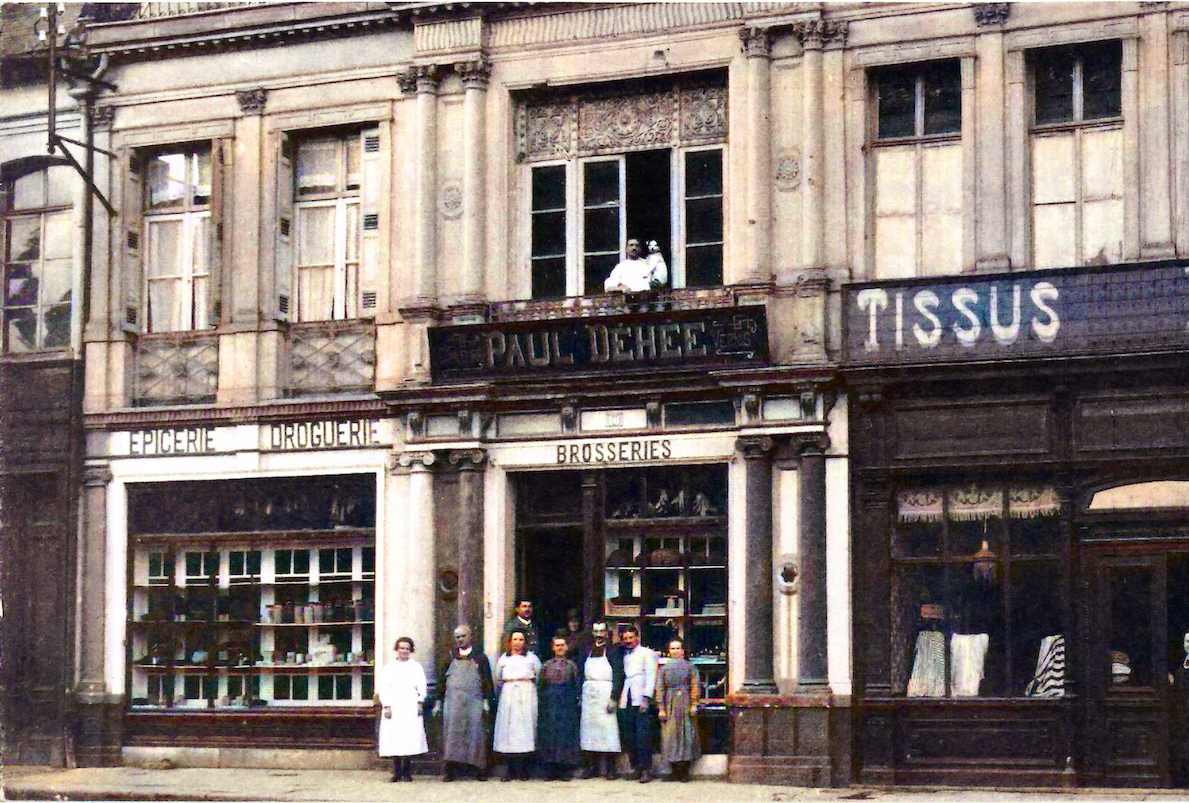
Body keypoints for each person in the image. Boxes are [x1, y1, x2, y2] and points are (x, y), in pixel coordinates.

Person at [432, 624, 494, 782]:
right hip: (453, 702)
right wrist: (438, 702)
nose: (460, 639)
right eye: (457, 637)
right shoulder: (449, 656)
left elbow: (487, 681)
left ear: (470, 637)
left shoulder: (480, 657)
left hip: (474, 701)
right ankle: (450, 771)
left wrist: (486, 701)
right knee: (452, 735)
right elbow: (441, 681)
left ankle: (479, 769)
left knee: (476, 734)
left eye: (463, 636)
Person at [578, 620, 624, 780]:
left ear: (607, 633)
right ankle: (592, 767)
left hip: (606, 692)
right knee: (590, 731)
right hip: (589, 693)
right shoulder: (586, 650)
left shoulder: (613, 651)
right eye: (596, 631)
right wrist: (580, 695)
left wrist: (614, 698)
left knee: (608, 730)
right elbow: (580, 674)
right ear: (592, 633)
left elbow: (618, 675)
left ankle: (610, 769)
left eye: (601, 631)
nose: (599, 635)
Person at [377, 636, 428, 782]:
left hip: (410, 704)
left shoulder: (416, 667)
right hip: (394, 704)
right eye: (402, 648)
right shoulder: (389, 667)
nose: (404, 651)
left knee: (408, 737)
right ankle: (396, 772)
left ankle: (406, 772)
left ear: (411, 650)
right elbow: (383, 687)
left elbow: (422, 686)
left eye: (407, 649)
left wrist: (420, 702)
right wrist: (386, 705)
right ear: (397, 650)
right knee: (394, 737)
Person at [494, 628, 541, 780]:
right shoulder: (504, 659)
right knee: (509, 730)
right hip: (509, 695)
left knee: (525, 729)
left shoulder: (532, 658)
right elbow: (498, 678)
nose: (518, 643)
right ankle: (509, 769)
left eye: (521, 639)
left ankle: (523, 769)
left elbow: (539, 675)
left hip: (526, 694)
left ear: (525, 642)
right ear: (510, 642)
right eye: (515, 639)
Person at [537, 634, 582, 780]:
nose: (560, 648)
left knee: (565, 734)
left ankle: (564, 769)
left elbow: (576, 684)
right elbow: (541, 686)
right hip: (550, 702)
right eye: (557, 645)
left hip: (566, 701)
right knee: (550, 734)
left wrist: (576, 700)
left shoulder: (572, 666)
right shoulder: (546, 666)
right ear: (553, 648)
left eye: (562, 645)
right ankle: (550, 769)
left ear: (567, 647)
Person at [656, 637, 700, 782]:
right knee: (670, 735)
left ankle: (684, 771)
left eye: (678, 648)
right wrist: (661, 708)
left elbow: (695, 686)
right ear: (669, 651)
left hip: (685, 702)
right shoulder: (663, 669)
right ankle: (674, 770)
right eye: (672, 648)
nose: (675, 651)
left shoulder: (690, 667)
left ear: (683, 650)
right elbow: (660, 689)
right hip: (670, 704)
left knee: (686, 734)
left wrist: (694, 704)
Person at [617, 626, 658, 783]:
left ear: (637, 638)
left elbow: (651, 675)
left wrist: (646, 698)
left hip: (640, 696)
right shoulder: (624, 655)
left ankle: (647, 769)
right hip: (626, 697)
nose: (628, 641)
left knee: (643, 736)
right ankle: (636, 767)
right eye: (625, 638)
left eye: (631, 637)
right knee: (629, 735)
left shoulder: (647, 653)